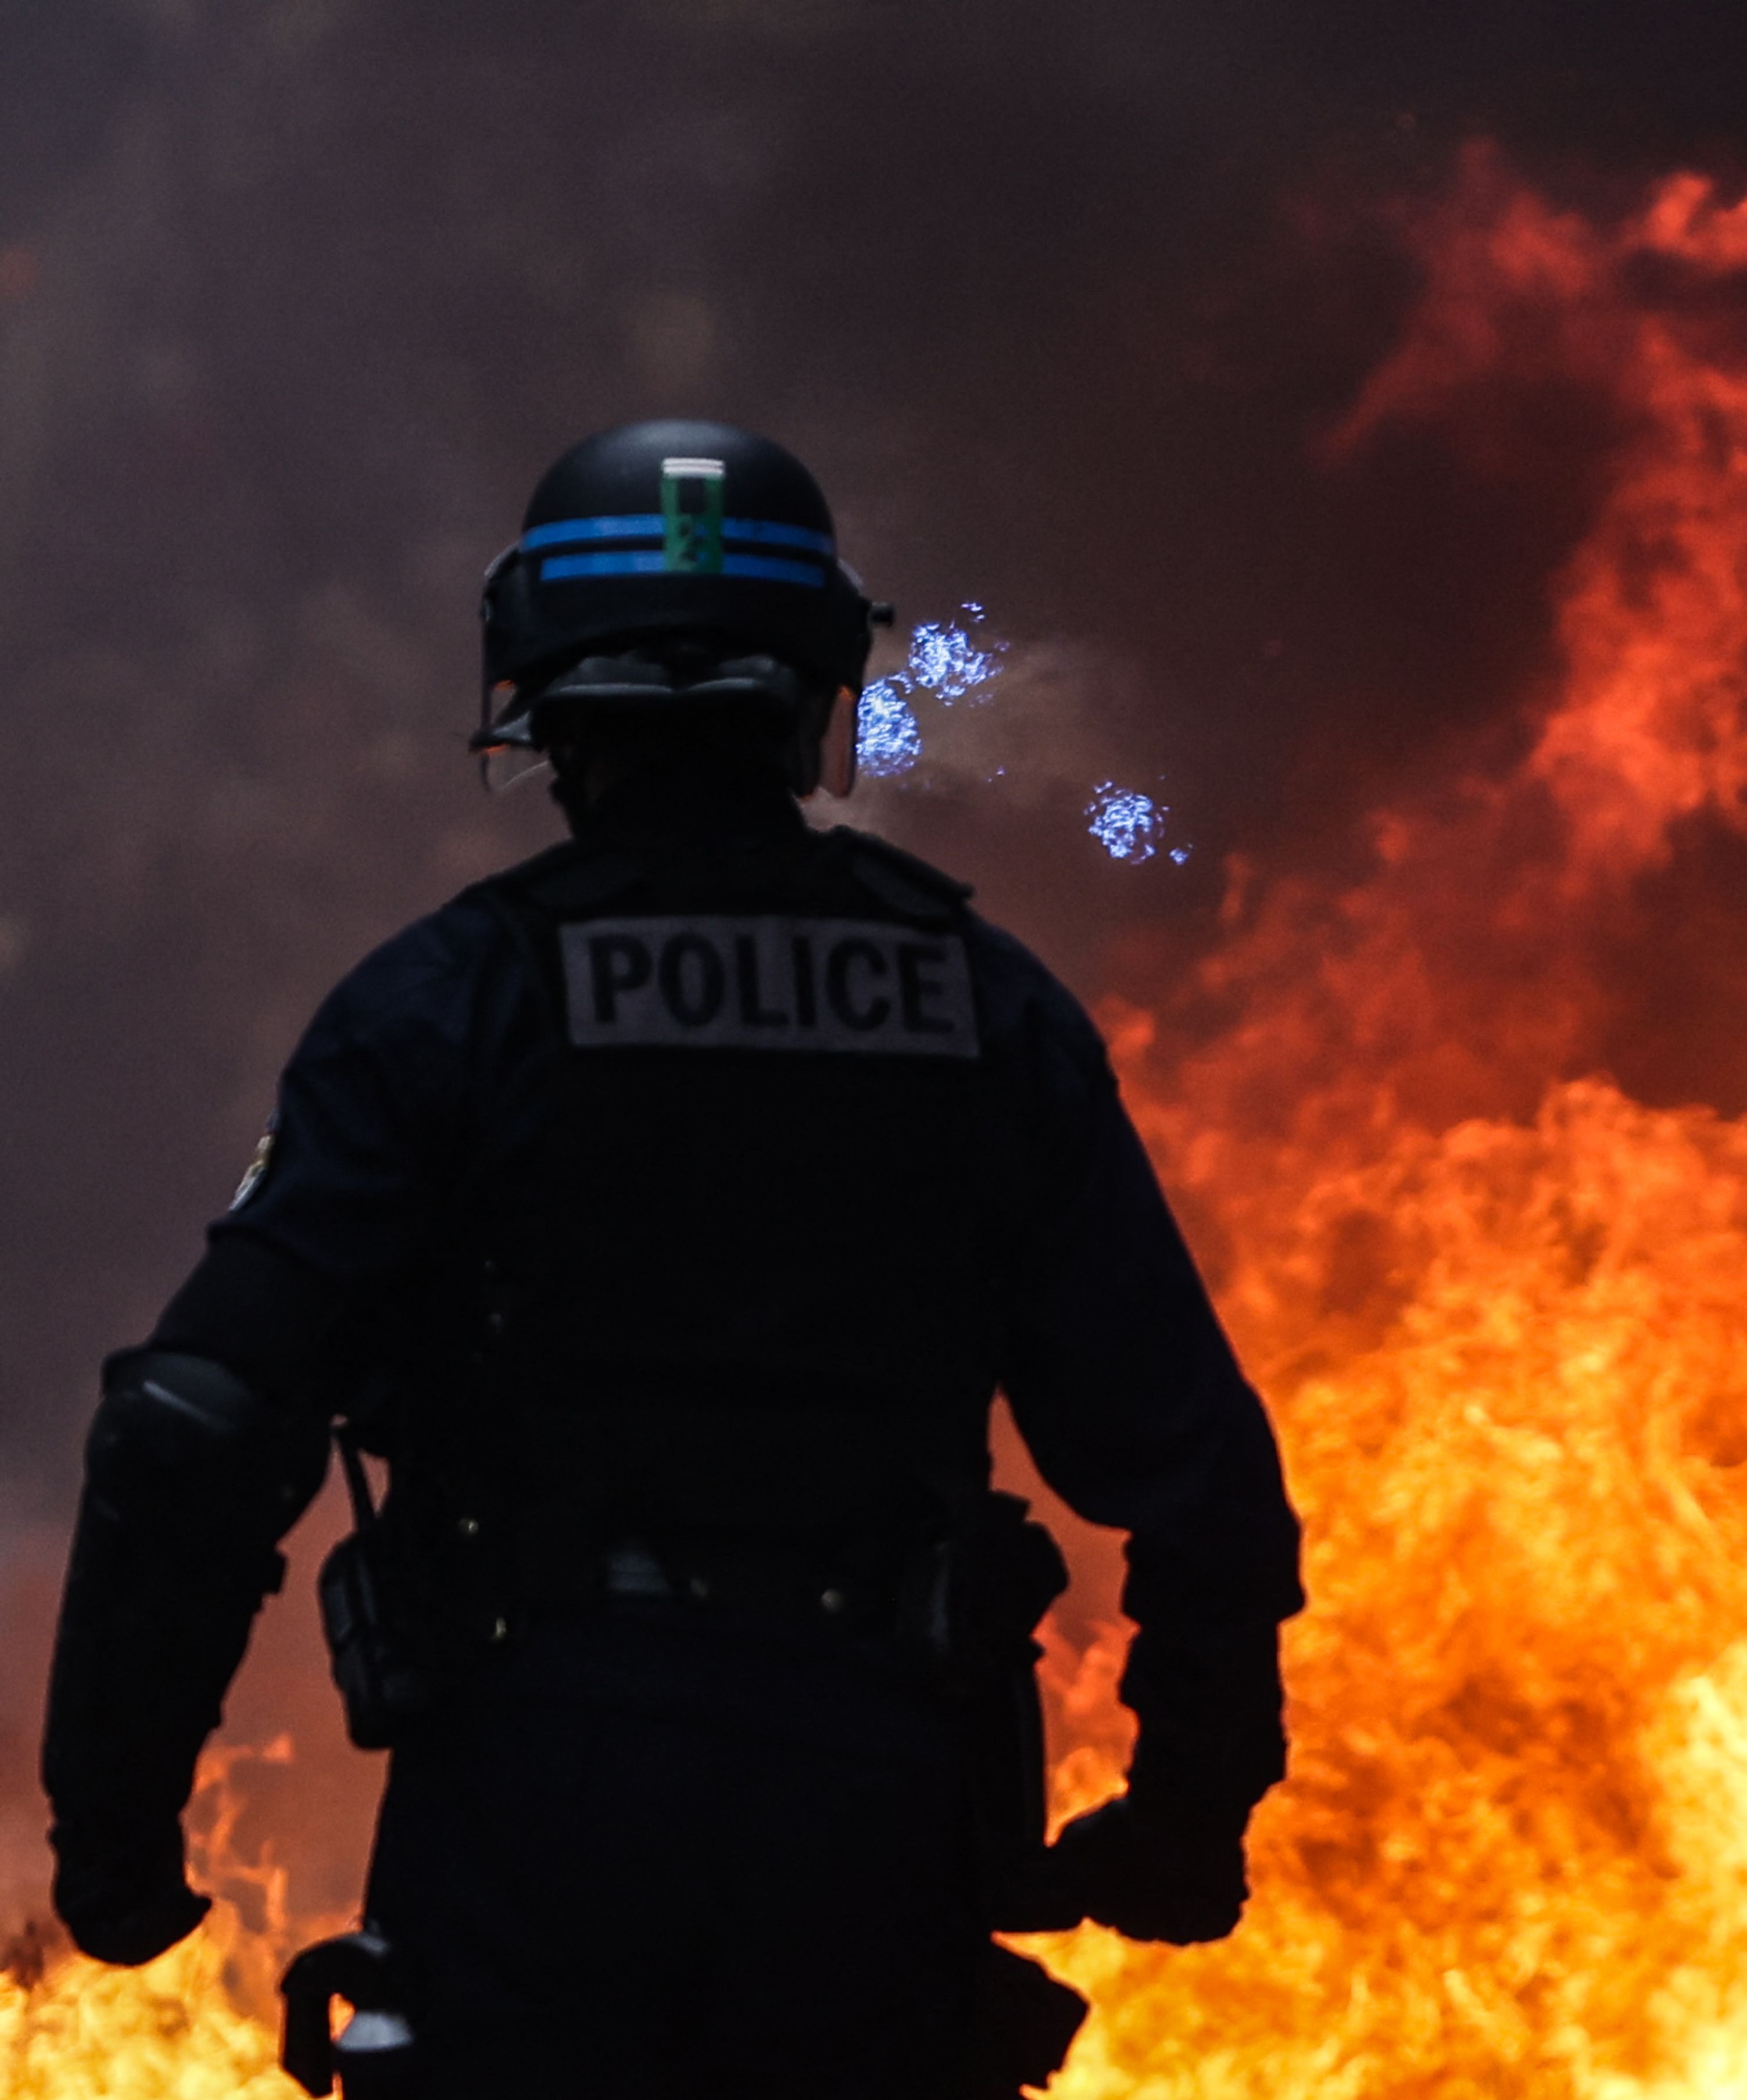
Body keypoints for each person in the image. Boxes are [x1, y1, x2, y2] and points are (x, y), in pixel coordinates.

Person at [37, 420, 1303, 2098]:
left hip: (535, 1816)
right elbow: (1200, 1479)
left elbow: (191, 1435)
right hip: (875, 1827)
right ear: (816, 688)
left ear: (536, 689)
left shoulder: (444, 1005)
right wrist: (1185, 1821)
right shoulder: (985, 1013)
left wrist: (117, 1844)